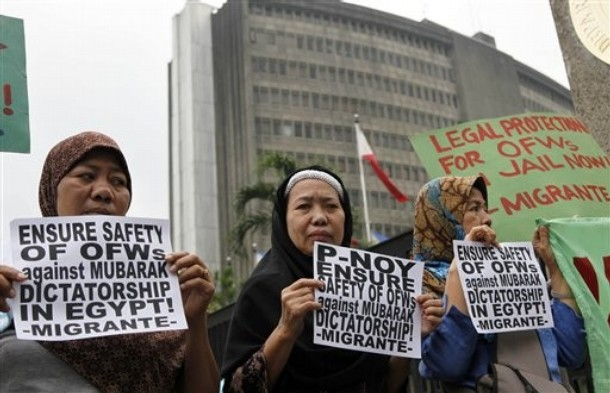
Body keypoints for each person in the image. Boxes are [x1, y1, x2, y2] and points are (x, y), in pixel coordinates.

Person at [0, 131, 219, 392]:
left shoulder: (163, 297)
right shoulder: (10, 280)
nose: (104, 191)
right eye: (87, 176)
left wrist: (195, 321)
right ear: (52, 187)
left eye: (118, 181)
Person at [221, 165, 428, 392]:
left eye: (331, 206)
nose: (319, 218)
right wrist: (285, 330)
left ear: (345, 217)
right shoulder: (263, 290)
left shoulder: (375, 286)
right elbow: (236, 389)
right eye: (303, 207)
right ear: (283, 221)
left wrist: (409, 336)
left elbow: (385, 385)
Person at [415, 176, 585, 392]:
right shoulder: (425, 289)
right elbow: (449, 366)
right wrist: (462, 266)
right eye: (473, 209)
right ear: (444, 218)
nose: (486, 218)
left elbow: (570, 353)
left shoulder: (512, 269)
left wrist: (555, 268)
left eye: (485, 208)